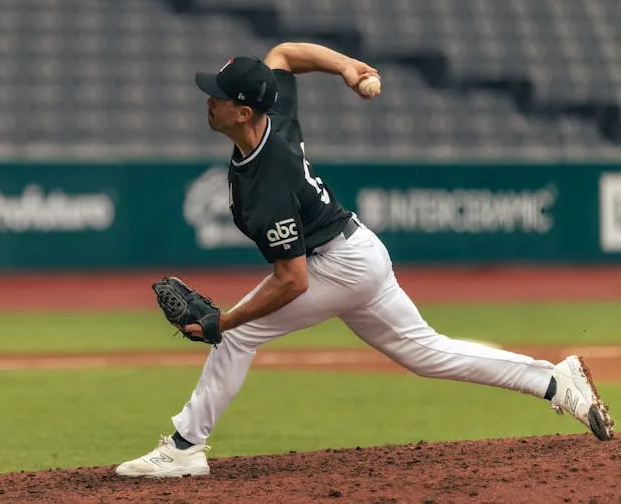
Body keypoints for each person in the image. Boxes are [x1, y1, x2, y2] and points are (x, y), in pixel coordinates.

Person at [114, 42, 614, 478]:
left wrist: (225, 320)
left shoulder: (268, 181)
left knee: (241, 334)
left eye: (218, 95)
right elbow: (285, 53)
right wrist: (349, 67)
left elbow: (292, 281)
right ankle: (554, 380)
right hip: (356, 251)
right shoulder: (274, 112)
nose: (209, 100)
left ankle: (184, 448)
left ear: (243, 112)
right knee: (427, 354)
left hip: (338, 265)